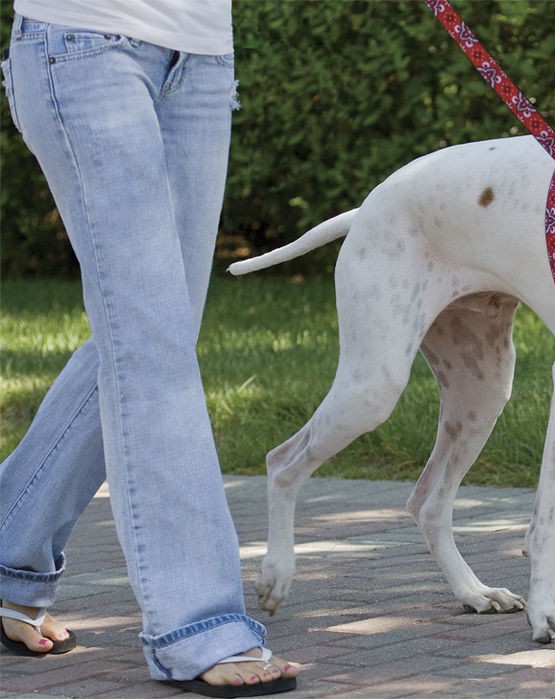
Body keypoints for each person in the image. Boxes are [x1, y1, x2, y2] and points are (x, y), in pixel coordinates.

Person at [0, 1, 300, 695]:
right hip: (80, 44)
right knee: (151, 346)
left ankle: (10, 547)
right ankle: (196, 622)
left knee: (151, 335)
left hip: (199, 57)